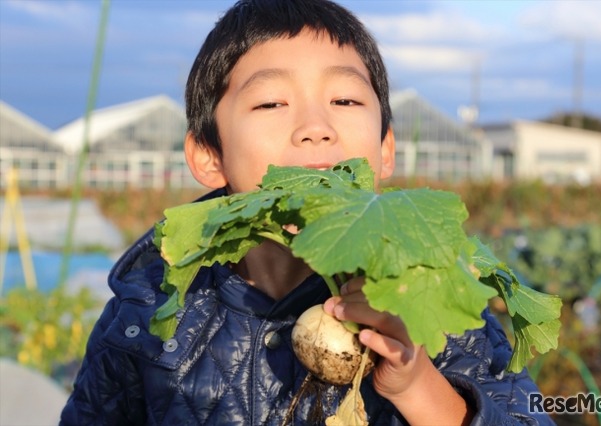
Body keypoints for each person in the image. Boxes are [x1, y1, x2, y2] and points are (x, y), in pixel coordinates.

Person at [60, 0, 553, 424]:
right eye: (272, 103)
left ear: (385, 149)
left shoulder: (429, 298)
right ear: (209, 156)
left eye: (344, 99)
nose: (315, 127)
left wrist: (415, 382)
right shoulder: (146, 309)